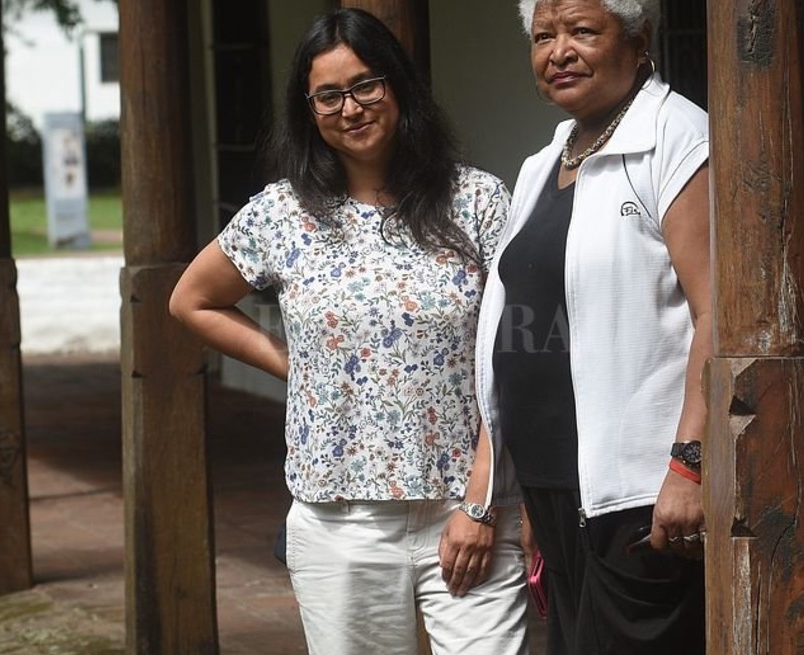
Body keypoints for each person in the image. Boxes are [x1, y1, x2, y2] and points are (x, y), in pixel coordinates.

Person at [169, 8, 528, 655]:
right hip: (340, 522)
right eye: (328, 95)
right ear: (309, 110)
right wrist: (293, 362)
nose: (351, 107)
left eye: (366, 84)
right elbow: (192, 301)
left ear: (398, 85)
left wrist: (483, 501)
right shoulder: (283, 212)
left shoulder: (477, 201)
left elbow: (513, 355)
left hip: (469, 507)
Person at [473, 0, 711, 652]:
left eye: (582, 31)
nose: (559, 52)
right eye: (543, 36)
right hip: (557, 489)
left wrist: (690, 465)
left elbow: (716, 312)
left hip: (639, 495)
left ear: (638, 38)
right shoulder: (544, 161)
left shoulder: (676, 137)